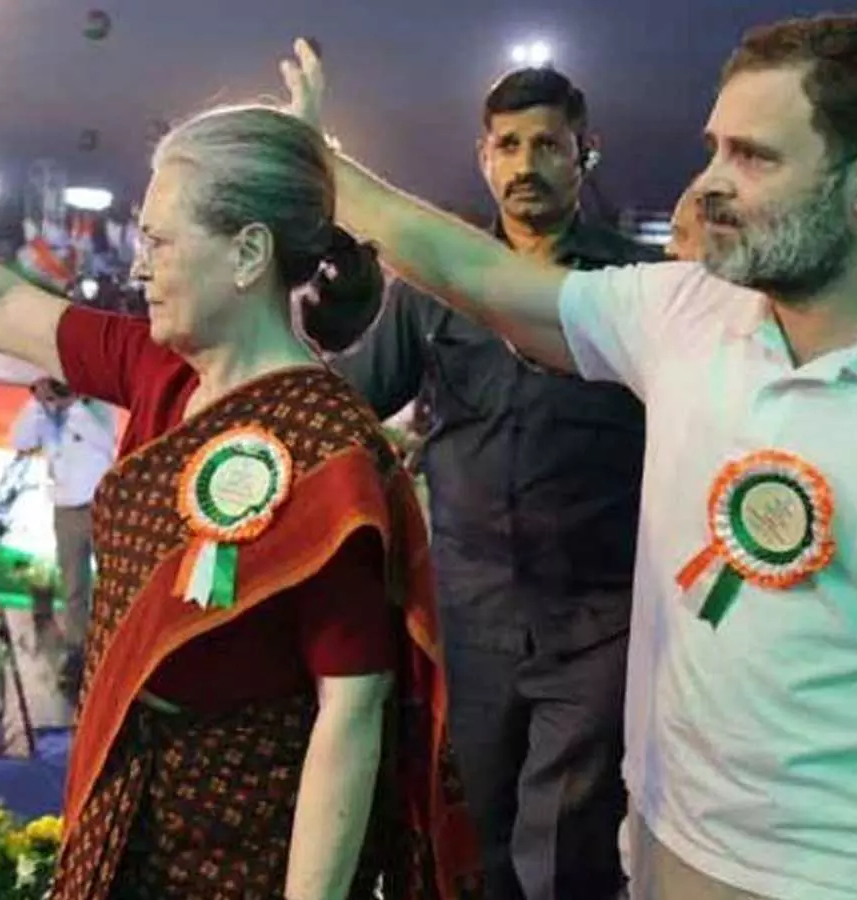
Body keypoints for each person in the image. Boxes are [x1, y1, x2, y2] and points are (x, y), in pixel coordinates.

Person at [281, 10, 857, 900]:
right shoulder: (685, 314)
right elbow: (480, 276)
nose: (708, 186)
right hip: (663, 844)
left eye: (753, 157)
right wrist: (319, 166)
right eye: (714, 150)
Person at [0, 64, 473, 900]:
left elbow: (350, 712)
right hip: (125, 799)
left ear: (248, 253)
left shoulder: (326, 449)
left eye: (159, 243)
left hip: (252, 837)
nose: (138, 269)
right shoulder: (158, 370)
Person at [334, 67, 657, 900]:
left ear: (585, 153)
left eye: (548, 144)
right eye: (508, 146)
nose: (526, 164)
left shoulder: (634, 288)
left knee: (567, 846)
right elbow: (348, 403)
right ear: (484, 157)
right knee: (477, 835)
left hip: (598, 620)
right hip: (469, 616)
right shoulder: (435, 286)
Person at [9, 377, 117, 690]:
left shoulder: (97, 405)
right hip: (66, 508)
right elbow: (20, 440)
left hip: (102, 504)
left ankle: (113, 650)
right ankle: (77, 651)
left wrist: (73, 405)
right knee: (74, 586)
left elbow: (105, 443)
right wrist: (38, 402)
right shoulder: (45, 411)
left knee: (112, 582)